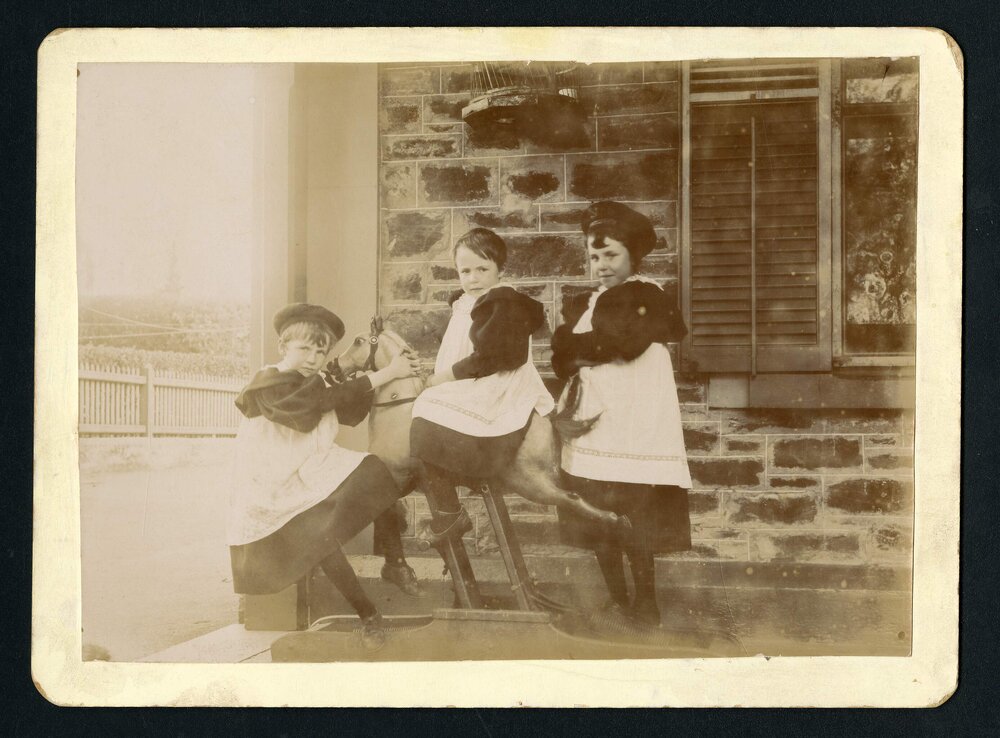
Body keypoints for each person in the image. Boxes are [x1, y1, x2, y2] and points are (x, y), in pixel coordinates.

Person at [227, 303, 422, 651]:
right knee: (321, 545)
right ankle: (370, 616)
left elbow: (345, 410)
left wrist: (370, 372)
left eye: (321, 351)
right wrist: (385, 374)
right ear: (282, 348)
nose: (313, 358)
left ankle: (394, 563)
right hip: (275, 482)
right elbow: (307, 409)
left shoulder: (313, 382)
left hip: (306, 469)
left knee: (373, 472)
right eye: (304, 348)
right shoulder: (268, 382)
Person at [550, 201, 692, 628]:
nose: (601, 265)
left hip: (634, 423)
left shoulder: (645, 296)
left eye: (611, 255)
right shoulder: (589, 303)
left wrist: (578, 351)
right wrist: (579, 352)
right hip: (595, 423)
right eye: (594, 257)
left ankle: (645, 604)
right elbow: (563, 357)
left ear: (634, 256)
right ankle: (617, 596)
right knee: (596, 512)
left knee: (635, 514)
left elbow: (622, 345)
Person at [410, 228, 555, 549]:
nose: (473, 278)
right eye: (465, 271)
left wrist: (444, 377)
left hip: (497, 385)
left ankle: (450, 509)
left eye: (482, 269)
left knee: (427, 410)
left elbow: (496, 357)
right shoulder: (466, 303)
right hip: (473, 381)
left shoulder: (503, 302)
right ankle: (450, 499)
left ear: (500, 270)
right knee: (427, 401)